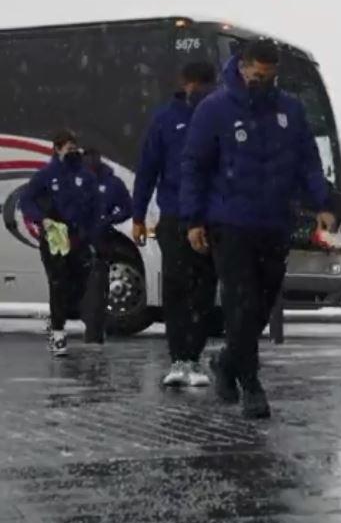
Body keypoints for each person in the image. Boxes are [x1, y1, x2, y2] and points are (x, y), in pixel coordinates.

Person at [179, 38, 336, 419]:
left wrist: (323, 205)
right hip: (229, 223)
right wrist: (194, 218)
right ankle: (250, 383)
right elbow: (194, 165)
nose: (260, 81)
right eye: (255, 74)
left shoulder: (290, 110)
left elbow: (308, 163)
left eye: (269, 76)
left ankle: (227, 362)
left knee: (261, 306)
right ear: (243, 66)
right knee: (239, 303)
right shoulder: (214, 109)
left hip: (273, 223)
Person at [131, 61, 218, 387]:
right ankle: (178, 358)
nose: (198, 91)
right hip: (173, 218)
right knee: (177, 289)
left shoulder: (217, 115)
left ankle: (193, 358)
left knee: (204, 291)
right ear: (184, 84)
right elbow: (148, 168)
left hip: (210, 219)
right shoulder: (166, 119)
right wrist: (138, 215)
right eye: (195, 85)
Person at [19, 129, 101, 356]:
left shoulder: (86, 176)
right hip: (55, 239)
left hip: (79, 239)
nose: (73, 151)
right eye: (68, 148)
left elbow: (96, 208)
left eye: (75, 147)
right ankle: (57, 332)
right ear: (57, 149)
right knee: (58, 284)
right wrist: (42, 219)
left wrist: (92, 236)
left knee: (78, 285)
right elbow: (26, 200)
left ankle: (64, 316)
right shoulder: (46, 175)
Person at [80, 148, 131, 344]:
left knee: (98, 288)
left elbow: (127, 207)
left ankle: (94, 332)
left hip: (101, 242)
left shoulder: (112, 184)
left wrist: (108, 219)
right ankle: (88, 325)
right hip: (78, 242)